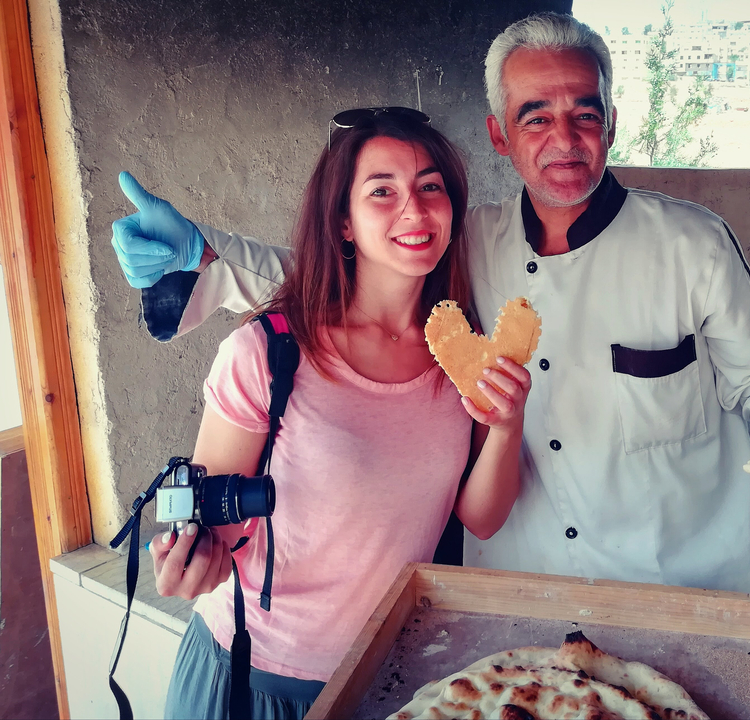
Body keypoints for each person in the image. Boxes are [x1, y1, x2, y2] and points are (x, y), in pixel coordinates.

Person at [113, 13, 750, 600]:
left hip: (676, 578)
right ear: (500, 135)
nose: (562, 139)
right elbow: (347, 278)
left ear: (611, 123)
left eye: (583, 114)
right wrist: (205, 254)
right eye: (534, 117)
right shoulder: (470, 242)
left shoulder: (693, 243)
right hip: (524, 586)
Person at [141, 109, 531, 719]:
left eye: (431, 187)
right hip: (254, 679)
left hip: (390, 680)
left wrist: (507, 423)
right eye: (383, 191)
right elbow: (207, 522)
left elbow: (480, 518)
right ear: (343, 223)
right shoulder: (268, 352)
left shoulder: (461, 353)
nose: (415, 209)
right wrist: (189, 561)